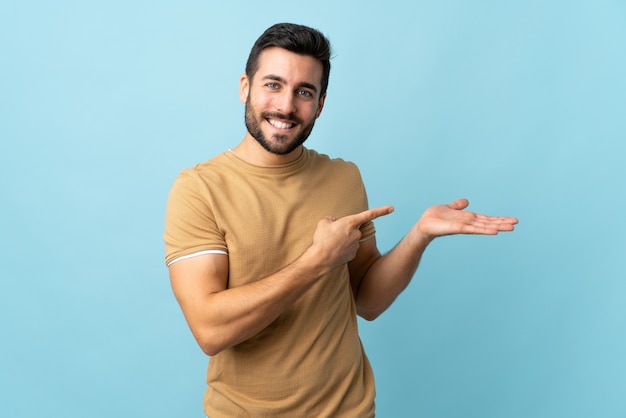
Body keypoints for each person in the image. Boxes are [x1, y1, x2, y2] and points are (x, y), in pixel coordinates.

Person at [163, 22, 518, 417]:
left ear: (321, 104)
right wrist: (317, 261)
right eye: (273, 85)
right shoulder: (199, 189)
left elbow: (366, 299)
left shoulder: (343, 177)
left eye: (304, 92)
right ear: (245, 87)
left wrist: (419, 236)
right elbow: (211, 331)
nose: (285, 106)